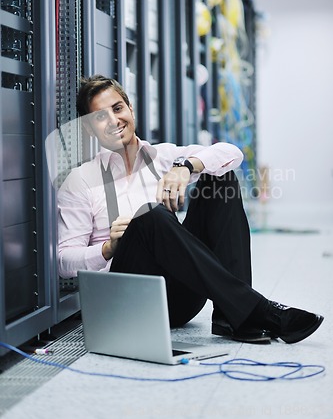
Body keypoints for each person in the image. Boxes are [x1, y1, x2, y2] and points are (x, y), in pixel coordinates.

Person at [57, 74, 324, 344]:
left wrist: (185, 167)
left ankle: (233, 318)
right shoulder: (80, 180)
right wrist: (108, 248)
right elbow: (63, 261)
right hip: (130, 299)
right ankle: (257, 310)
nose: (114, 121)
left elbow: (231, 153)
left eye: (117, 108)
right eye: (100, 117)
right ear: (90, 129)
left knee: (220, 176)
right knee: (150, 215)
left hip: (179, 299)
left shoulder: (163, 157)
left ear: (130, 109)